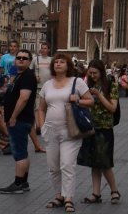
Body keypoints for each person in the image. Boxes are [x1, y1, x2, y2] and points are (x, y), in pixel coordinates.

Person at [36, 52, 93, 211]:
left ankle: (68, 198)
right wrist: (42, 127)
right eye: (56, 62)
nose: (58, 64)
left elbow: (91, 101)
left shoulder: (77, 82)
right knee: (53, 167)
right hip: (51, 130)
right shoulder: (47, 85)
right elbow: (41, 108)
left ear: (68, 66)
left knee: (67, 164)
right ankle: (58, 195)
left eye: (62, 62)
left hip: (70, 130)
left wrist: (79, 100)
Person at [77, 59, 121, 204]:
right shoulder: (86, 85)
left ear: (101, 72)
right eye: (90, 73)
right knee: (94, 163)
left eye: (95, 73)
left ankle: (114, 190)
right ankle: (96, 193)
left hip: (105, 128)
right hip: (90, 127)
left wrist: (99, 95)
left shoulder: (111, 86)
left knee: (104, 162)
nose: (92, 76)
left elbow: (112, 108)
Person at [0, 47, 37, 194]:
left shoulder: (27, 76)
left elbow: (24, 98)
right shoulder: (20, 75)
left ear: (29, 61)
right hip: (21, 119)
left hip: (20, 119)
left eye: (24, 58)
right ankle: (24, 182)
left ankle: (18, 183)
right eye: (18, 58)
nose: (20, 60)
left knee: (19, 152)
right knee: (23, 151)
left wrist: (13, 117)